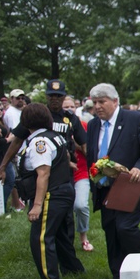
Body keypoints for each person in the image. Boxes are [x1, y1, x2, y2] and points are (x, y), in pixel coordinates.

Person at [86, 83, 140, 279]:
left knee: (125, 227)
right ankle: (118, 275)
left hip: (130, 186)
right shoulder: (94, 125)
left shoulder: (135, 119)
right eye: (94, 102)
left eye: (102, 102)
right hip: (104, 187)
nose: (98, 106)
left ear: (115, 101)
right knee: (110, 229)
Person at [15, 103, 84, 279]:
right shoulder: (54, 136)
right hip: (63, 190)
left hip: (51, 194)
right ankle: (74, 269)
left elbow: (43, 174)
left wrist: (37, 206)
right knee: (60, 235)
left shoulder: (40, 142)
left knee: (41, 239)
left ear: (26, 121)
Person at [63, 96, 93, 252]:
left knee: (80, 205)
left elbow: (90, 153)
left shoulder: (83, 126)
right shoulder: (55, 126)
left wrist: (76, 143)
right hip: (61, 174)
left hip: (81, 172)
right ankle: (65, 242)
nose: (69, 109)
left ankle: (84, 237)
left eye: (72, 106)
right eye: (65, 106)